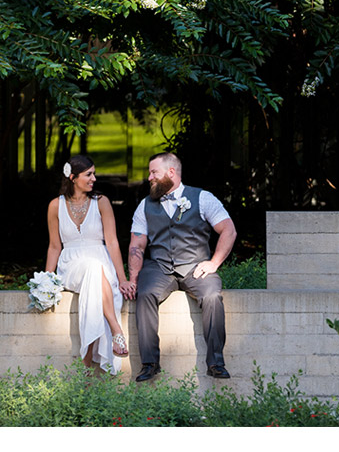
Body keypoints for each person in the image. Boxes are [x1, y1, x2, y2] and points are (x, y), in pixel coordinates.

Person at [123, 152, 237, 382]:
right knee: (144, 294)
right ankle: (149, 363)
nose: (149, 177)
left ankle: (216, 362)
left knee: (212, 295)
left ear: (171, 172)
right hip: (159, 267)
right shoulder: (145, 205)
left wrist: (213, 263)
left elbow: (229, 230)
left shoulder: (203, 198)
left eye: (154, 172)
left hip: (196, 266)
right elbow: (137, 243)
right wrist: (133, 278)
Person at [45, 154, 129, 374]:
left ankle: (87, 362)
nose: (94, 179)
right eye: (88, 174)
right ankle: (115, 328)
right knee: (93, 268)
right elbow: (54, 246)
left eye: (94, 174)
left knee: (95, 269)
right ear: (72, 177)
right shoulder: (55, 206)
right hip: (70, 265)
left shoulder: (101, 202)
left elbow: (112, 242)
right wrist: (46, 280)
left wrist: (122, 279)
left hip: (100, 261)